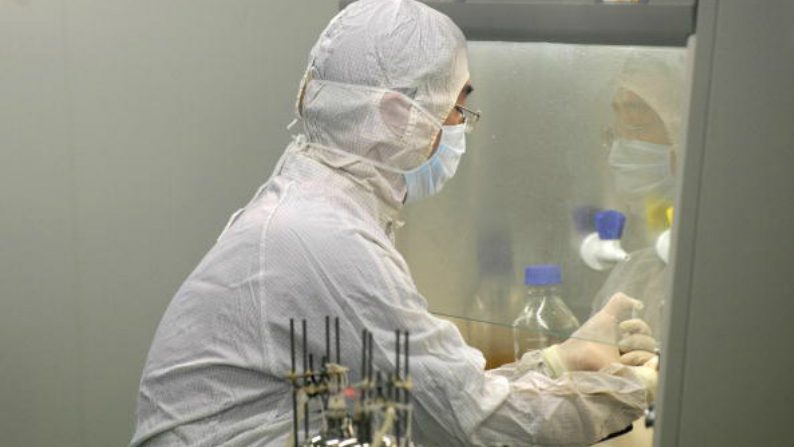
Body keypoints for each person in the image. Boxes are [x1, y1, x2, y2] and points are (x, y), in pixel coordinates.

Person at [130, 1, 656, 445]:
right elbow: (473, 425)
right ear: (396, 115)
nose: (458, 129)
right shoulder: (323, 238)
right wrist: (634, 389)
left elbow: (407, 398)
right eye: (455, 109)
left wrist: (562, 362)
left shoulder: (316, 204)